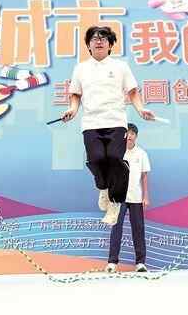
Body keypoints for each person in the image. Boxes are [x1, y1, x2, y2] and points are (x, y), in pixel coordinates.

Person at [62, 26, 154, 225]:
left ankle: (114, 203)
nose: (99, 41)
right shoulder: (81, 68)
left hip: (116, 122)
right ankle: (103, 188)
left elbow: (132, 91)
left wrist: (140, 109)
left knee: (114, 159)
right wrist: (73, 109)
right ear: (88, 45)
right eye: (94, 38)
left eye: (103, 38)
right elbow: (76, 93)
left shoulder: (120, 67)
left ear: (110, 45)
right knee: (96, 159)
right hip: (91, 123)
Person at [105, 123, 151, 273]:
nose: (129, 136)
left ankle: (140, 263)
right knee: (116, 228)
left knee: (138, 229)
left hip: (136, 197)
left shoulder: (141, 154)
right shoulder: (116, 152)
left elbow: (144, 176)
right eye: (127, 133)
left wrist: (146, 196)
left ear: (136, 136)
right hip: (119, 197)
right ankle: (112, 262)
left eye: (132, 133)